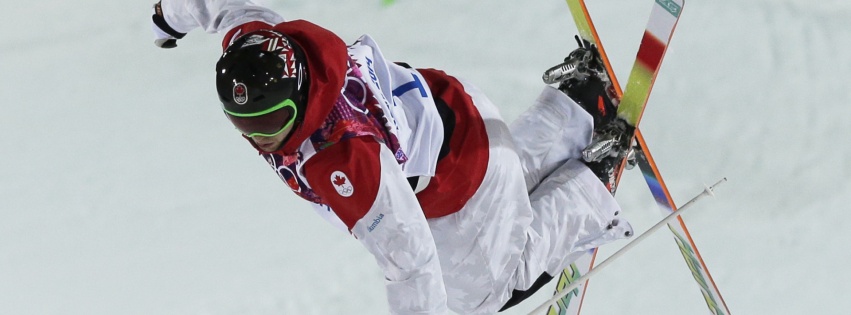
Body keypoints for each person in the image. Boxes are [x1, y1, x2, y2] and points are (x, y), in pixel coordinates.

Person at [151, 1, 633, 314]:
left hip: (459, 179)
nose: (263, 138)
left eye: (273, 122)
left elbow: (411, 260)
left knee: (481, 293)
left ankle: (590, 185)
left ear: (296, 95)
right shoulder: (267, 48)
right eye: (247, 125)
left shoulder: (340, 157)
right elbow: (227, 7)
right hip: (457, 112)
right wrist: (170, 16)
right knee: (499, 210)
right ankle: (578, 103)